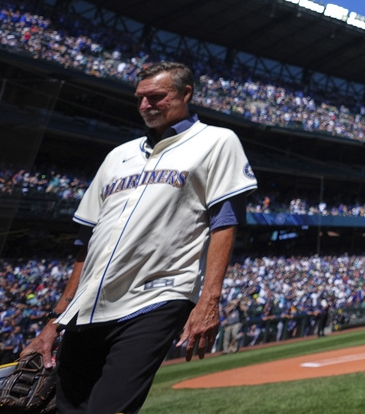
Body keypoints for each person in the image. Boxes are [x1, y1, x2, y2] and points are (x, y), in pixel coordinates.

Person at [21, 61, 257, 414]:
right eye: (140, 98)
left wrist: (209, 300)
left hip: (156, 298)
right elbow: (87, 242)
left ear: (185, 94)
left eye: (156, 97)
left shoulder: (216, 141)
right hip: (88, 309)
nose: (145, 105)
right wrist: (55, 320)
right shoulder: (118, 156)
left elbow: (224, 222)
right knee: (65, 407)